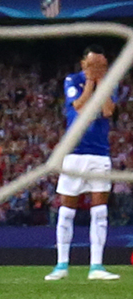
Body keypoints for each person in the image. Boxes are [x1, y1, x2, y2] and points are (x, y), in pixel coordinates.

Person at [47, 45, 121, 281]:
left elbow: (108, 110)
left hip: (99, 154)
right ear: (83, 64)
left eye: (101, 65)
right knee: (66, 210)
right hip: (74, 152)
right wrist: (90, 82)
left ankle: (96, 266)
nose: (97, 69)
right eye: (92, 65)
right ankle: (61, 265)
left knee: (99, 210)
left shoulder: (111, 83)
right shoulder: (72, 80)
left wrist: (101, 83)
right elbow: (78, 107)